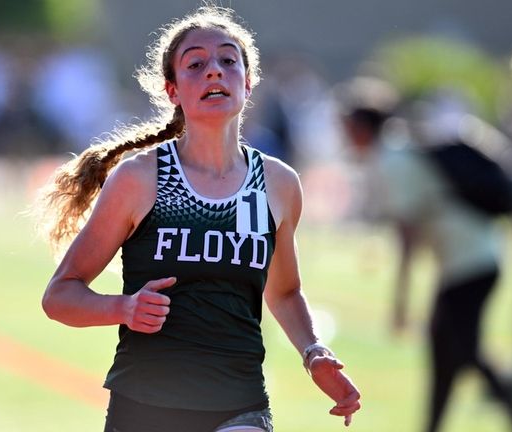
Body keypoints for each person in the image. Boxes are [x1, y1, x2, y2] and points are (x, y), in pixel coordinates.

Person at [34, 6, 361, 432]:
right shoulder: (140, 178)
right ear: (172, 90)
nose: (214, 72)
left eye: (228, 60)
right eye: (196, 64)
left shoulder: (278, 184)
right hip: (146, 406)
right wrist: (124, 308)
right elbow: (60, 295)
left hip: (239, 404)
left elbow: (284, 293)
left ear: (248, 81)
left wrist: (313, 352)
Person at [338, 80, 512, 432]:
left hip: (473, 262)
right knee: (445, 353)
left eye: (347, 127)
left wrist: (400, 302)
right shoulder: (397, 152)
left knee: (464, 351)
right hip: (463, 262)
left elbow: (407, 237)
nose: (343, 136)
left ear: (363, 128)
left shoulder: (391, 160)